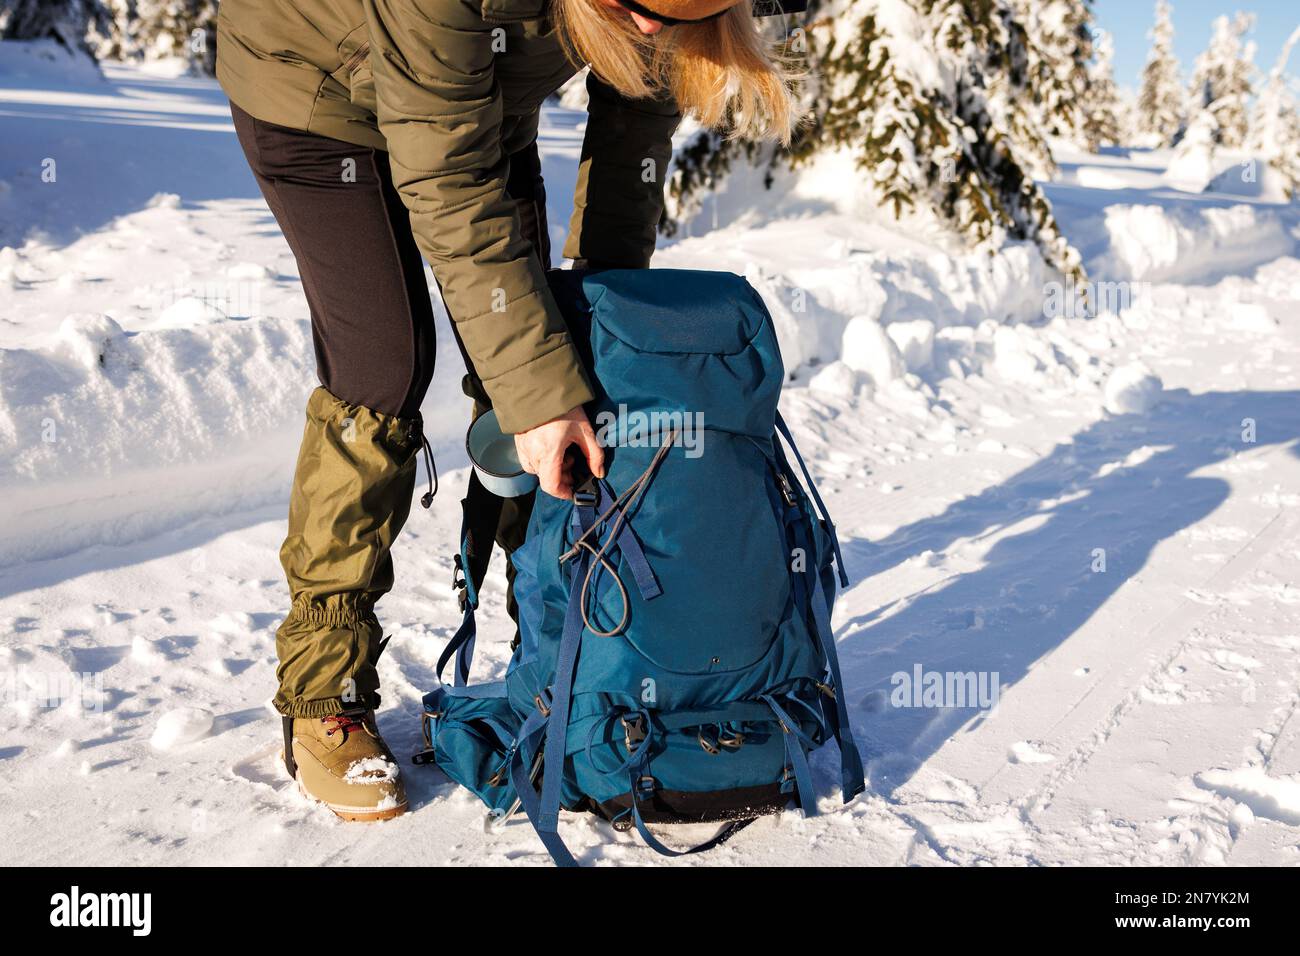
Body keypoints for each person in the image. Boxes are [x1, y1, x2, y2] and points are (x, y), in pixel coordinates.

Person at [215, 0, 799, 820]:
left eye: (674, 17)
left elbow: (633, 125)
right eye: (633, 9)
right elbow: (448, 185)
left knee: (552, 351)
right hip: (315, 91)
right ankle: (324, 689)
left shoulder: (658, 12)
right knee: (385, 364)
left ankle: (561, 659)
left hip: (471, 102)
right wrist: (539, 392)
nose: (646, 31)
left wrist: (602, 323)